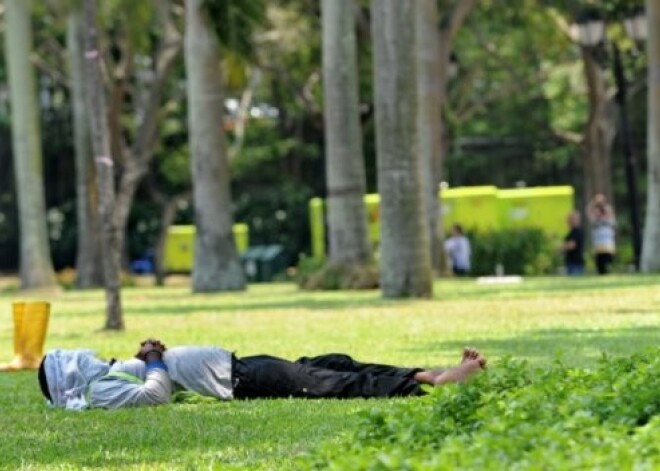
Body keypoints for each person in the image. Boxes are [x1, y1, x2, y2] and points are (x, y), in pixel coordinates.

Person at [38, 339, 487, 410]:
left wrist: (152, 354)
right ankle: (436, 383)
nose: (83, 354)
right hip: (240, 380)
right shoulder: (101, 391)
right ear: (70, 376)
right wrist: (155, 358)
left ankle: (428, 375)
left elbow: (154, 375)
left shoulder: (108, 376)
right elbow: (154, 395)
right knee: (332, 382)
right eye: (72, 357)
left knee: (335, 362)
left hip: (240, 367)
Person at [587, 194, 616, 275]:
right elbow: (589, 212)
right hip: (598, 242)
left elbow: (612, 221)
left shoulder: (608, 210)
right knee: (599, 260)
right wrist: (594, 203)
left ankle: (608, 271)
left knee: (608, 259)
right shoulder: (595, 212)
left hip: (607, 241)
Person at [562, 211, 585, 275]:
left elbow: (572, 245)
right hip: (570, 262)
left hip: (576, 264)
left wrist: (562, 247)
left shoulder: (578, 232)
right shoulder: (570, 233)